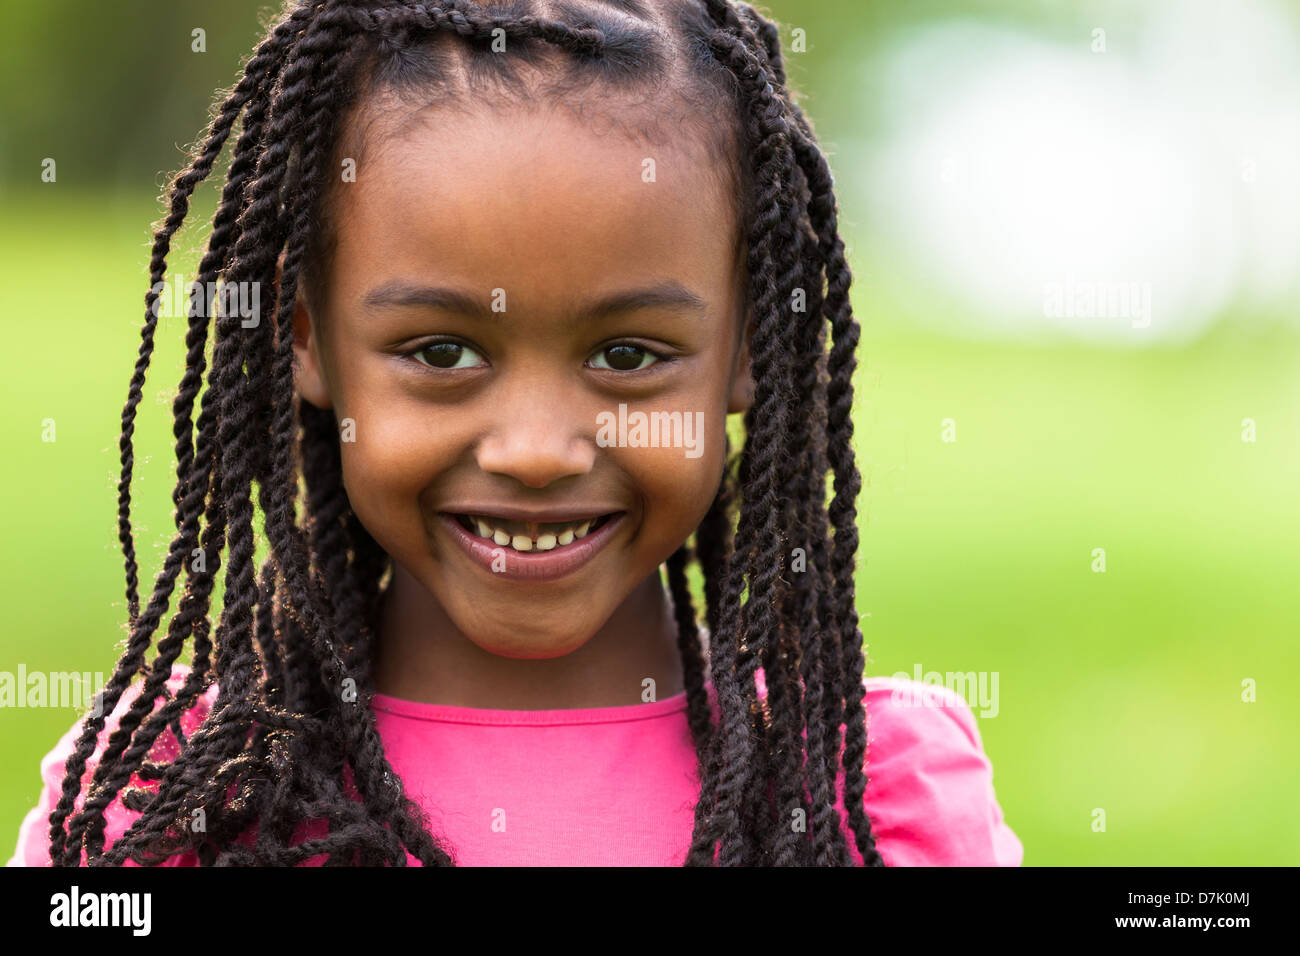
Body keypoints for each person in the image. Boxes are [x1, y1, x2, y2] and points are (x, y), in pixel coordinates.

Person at [10, 0, 1021, 866]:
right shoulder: (175, 792)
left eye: (626, 356)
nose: (536, 450)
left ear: (749, 342)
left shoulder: (862, 794)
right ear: (304, 337)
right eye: (442, 353)